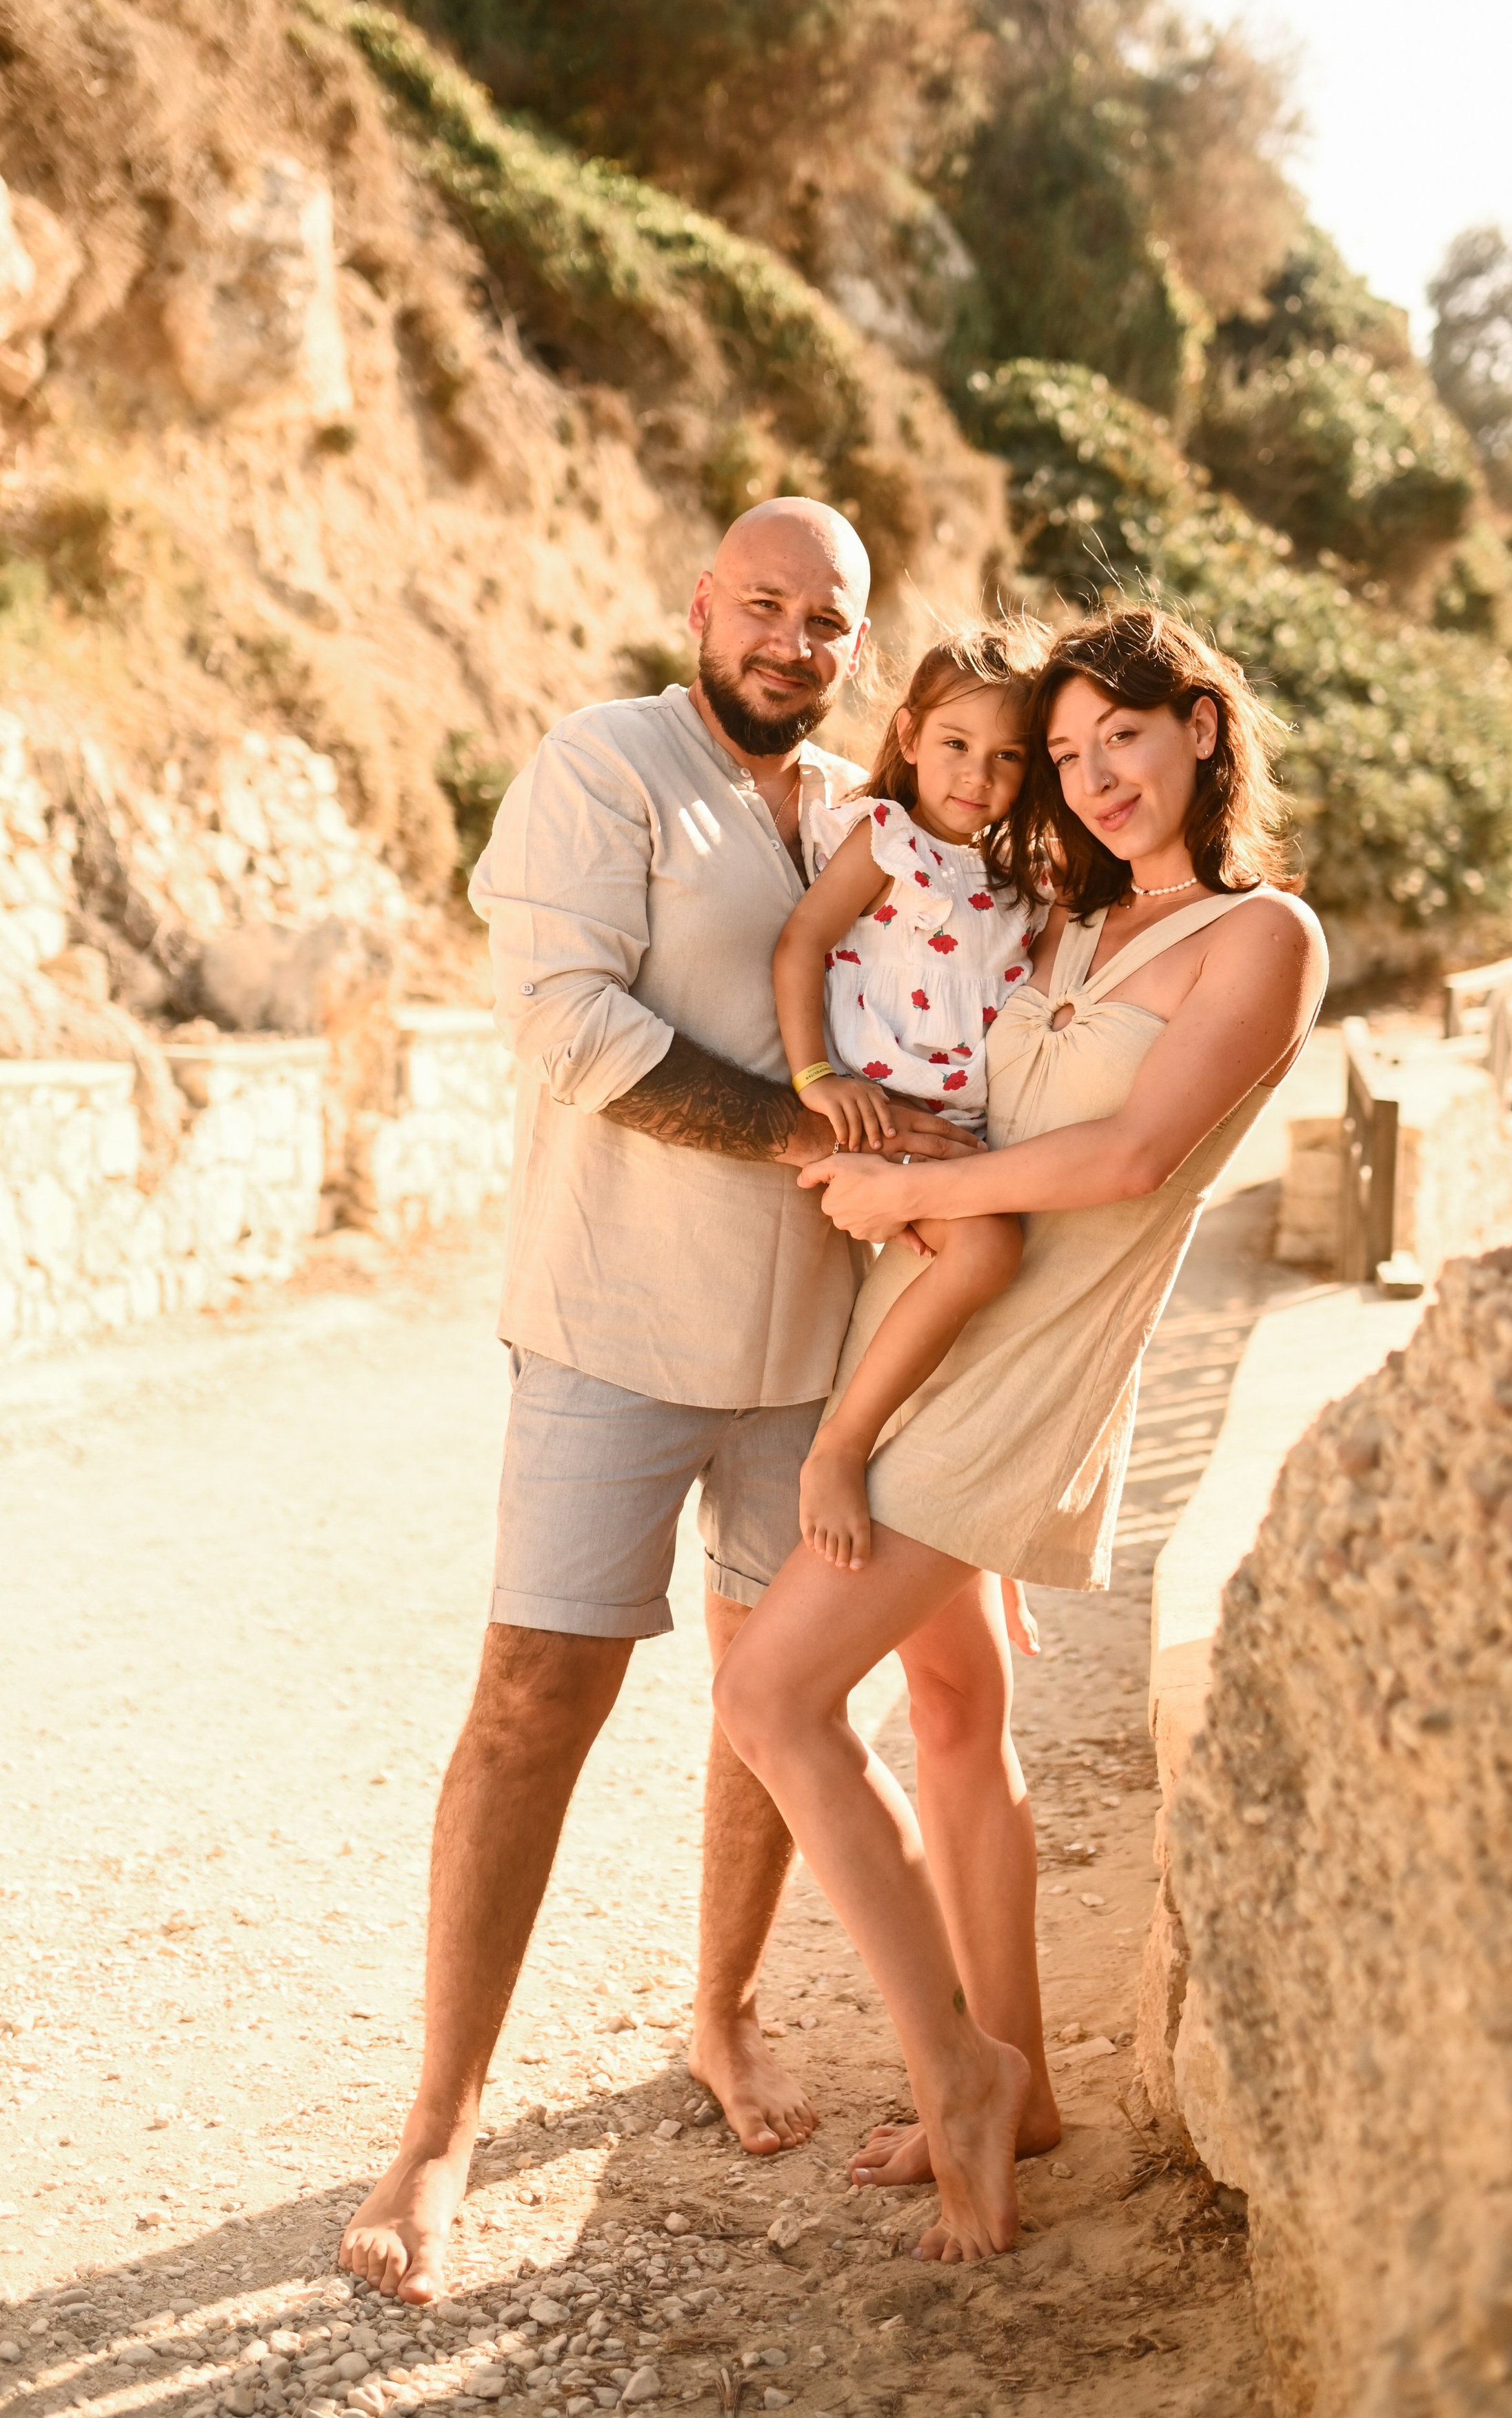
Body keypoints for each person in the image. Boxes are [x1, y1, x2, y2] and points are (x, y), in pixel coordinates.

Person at [336, 498, 979, 2303]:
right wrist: (809, 1128)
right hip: (610, 1327)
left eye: (826, 619)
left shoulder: (874, 802)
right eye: (764, 605)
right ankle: (439, 2130)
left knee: (772, 1703)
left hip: (813, 1353)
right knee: (535, 1700)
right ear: (705, 605)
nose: (791, 640)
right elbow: (569, 1024)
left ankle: (721, 2012)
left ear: (858, 643)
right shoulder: (605, 761)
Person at [712, 603, 1328, 2264]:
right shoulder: (1062, 917)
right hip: (933, 1333)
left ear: (1198, 725)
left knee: (767, 1689)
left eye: (1116, 736)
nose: (1090, 776)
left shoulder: (1257, 935)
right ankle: (1029, 2082)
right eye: (1063, 754)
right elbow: (923, 997)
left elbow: (1128, 1157)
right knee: (953, 1706)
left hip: (1025, 1374)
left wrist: (917, 1191)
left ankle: (958, 2073)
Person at [773, 631, 1046, 1568]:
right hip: (879, 1117)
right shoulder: (884, 839)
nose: (979, 774)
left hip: (961, 1130)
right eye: (958, 745)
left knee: (1006, 1261)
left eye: (1010, 756)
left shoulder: (1016, 879)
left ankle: (972, 1527)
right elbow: (801, 943)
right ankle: (839, 1452)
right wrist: (817, 1079)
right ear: (910, 734)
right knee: (990, 1248)